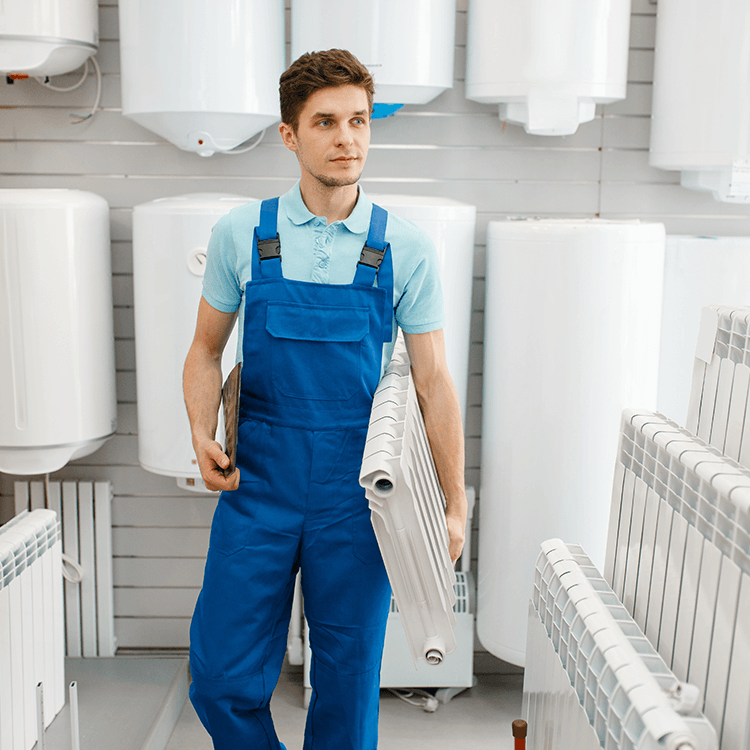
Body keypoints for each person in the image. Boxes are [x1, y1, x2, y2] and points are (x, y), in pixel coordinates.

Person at [183, 48, 467, 750]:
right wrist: (200, 432)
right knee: (218, 679)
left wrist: (455, 504)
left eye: (359, 122)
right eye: (327, 123)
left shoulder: (405, 247)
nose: (348, 139)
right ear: (290, 135)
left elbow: (433, 384)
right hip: (259, 483)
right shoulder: (242, 237)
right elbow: (204, 351)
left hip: (360, 495)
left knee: (345, 694)